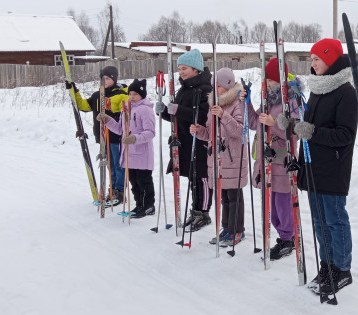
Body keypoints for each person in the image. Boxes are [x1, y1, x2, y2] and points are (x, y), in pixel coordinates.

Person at [279, 38, 358, 295]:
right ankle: (327, 264)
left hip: (333, 168)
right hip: (312, 165)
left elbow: (345, 135)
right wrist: (291, 123)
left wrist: (311, 132)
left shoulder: (345, 92)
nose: (313, 64)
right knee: (319, 220)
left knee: (335, 220)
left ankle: (342, 268)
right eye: (311, 59)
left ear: (332, 60)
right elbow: (307, 125)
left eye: (318, 59)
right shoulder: (317, 88)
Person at [241, 58, 301, 260]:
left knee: (283, 205)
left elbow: (295, 133)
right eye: (265, 80)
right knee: (272, 207)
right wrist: (247, 103)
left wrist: (273, 123)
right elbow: (252, 123)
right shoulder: (268, 101)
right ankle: (283, 236)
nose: (265, 84)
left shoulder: (292, 100)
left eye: (269, 80)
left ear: (278, 80)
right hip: (266, 161)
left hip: (283, 162)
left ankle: (288, 239)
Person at [156, 49, 213, 232]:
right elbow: (177, 116)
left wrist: (176, 109)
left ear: (196, 69)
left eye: (184, 68)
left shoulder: (205, 90)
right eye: (179, 68)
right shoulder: (183, 89)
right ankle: (195, 210)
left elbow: (203, 116)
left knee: (202, 177)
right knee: (192, 177)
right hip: (185, 141)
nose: (181, 72)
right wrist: (165, 111)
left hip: (200, 140)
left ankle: (203, 212)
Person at [191, 68, 248, 246]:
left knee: (234, 196)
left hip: (233, 158)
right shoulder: (213, 104)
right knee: (224, 197)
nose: (215, 88)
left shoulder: (237, 103)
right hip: (217, 159)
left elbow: (239, 131)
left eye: (219, 85)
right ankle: (227, 229)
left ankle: (237, 230)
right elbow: (210, 134)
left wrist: (223, 116)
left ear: (228, 85)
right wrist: (199, 131)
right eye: (214, 84)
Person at [67, 65, 129, 205]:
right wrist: (74, 91)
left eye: (107, 78)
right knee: (109, 165)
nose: (104, 81)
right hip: (103, 137)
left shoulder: (121, 94)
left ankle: (119, 191)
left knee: (118, 164)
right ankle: (112, 190)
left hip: (116, 136)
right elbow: (83, 106)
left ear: (114, 79)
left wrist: (110, 110)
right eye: (102, 78)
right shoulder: (97, 95)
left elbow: (125, 113)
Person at [98, 79, 156, 218]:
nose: (131, 97)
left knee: (144, 181)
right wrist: (108, 120)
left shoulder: (145, 110)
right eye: (130, 94)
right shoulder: (126, 109)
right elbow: (120, 129)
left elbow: (150, 132)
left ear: (142, 95)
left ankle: (148, 205)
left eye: (135, 94)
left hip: (141, 154)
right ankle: (139, 205)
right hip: (128, 153)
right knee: (134, 183)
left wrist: (135, 138)